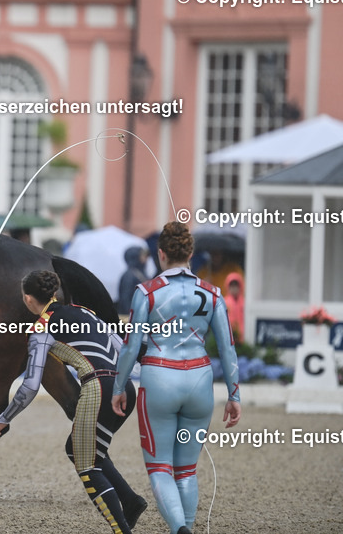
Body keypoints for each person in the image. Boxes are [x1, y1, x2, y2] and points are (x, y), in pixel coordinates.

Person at [0, 270, 147, 534]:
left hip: (97, 389)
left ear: (28, 300)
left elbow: (30, 385)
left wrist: (4, 416)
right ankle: (130, 502)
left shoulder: (41, 328)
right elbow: (121, 346)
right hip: (125, 388)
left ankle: (122, 530)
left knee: (88, 466)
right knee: (77, 447)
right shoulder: (83, 311)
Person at [112, 222, 241, 534]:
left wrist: (119, 385)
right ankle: (186, 529)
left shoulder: (146, 292)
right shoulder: (213, 293)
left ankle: (179, 530)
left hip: (159, 377)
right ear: (191, 254)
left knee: (159, 468)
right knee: (187, 470)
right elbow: (227, 348)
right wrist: (235, 395)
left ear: (160, 254)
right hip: (199, 378)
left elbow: (131, 347)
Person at [117, 247, 150, 317]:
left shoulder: (141, 273)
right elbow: (125, 298)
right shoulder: (129, 275)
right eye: (142, 256)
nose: (145, 259)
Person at [223, 272, 245, 342]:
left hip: (243, 338)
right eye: (231, 285)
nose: (234, 288)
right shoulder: (223, 302)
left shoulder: (245, 302)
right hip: (228, 337)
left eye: (236, 285)